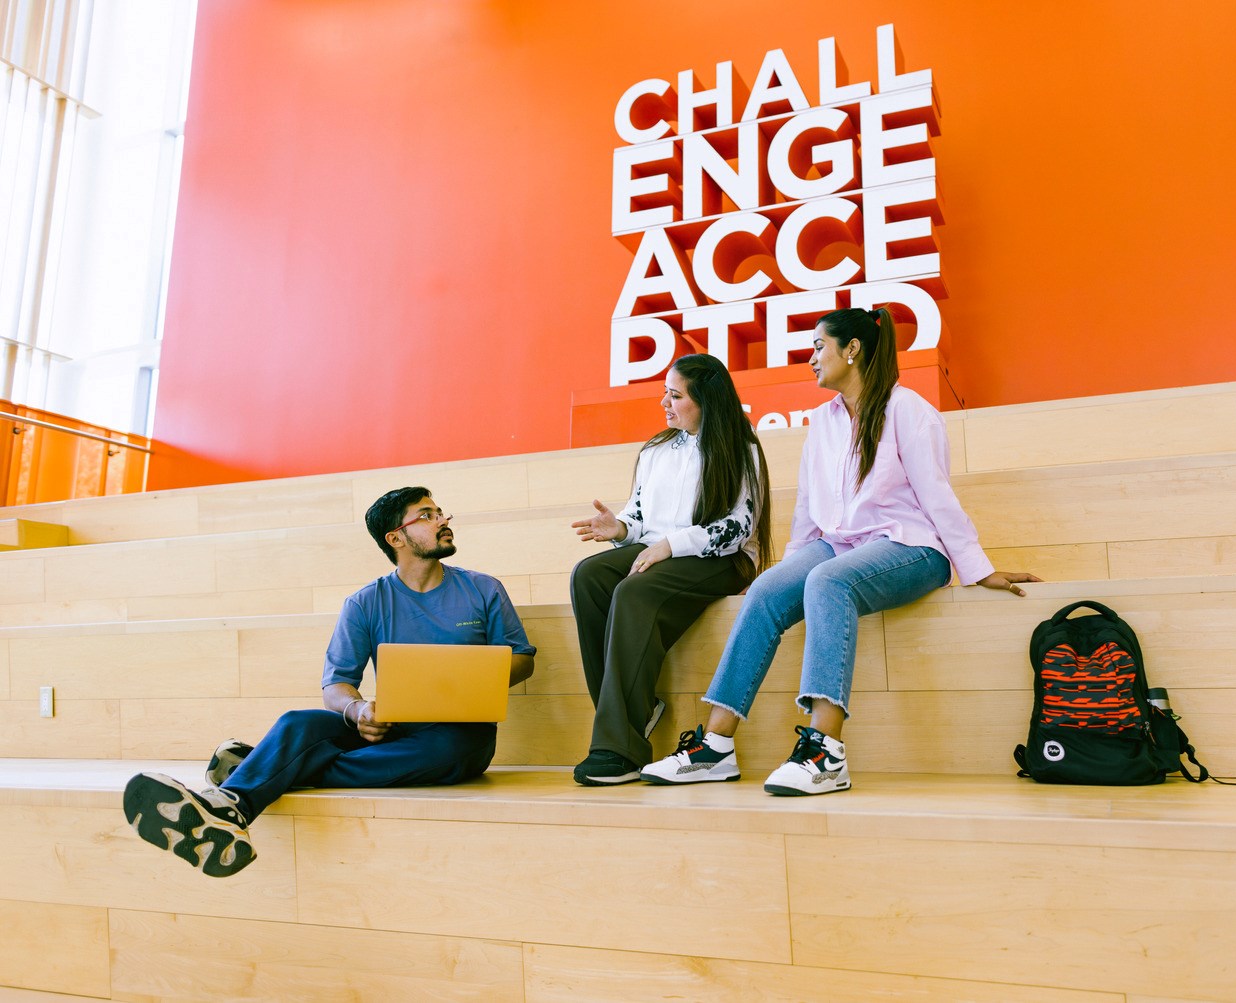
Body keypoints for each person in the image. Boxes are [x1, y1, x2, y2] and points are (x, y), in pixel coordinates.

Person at [641, 307, 1041, 796]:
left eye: (818, 347)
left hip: (910, 547)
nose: (810, 358)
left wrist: (978, 569)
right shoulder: (823, 421)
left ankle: (825, 752)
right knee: (768, 589)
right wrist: (788, 566)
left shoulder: (908, 409)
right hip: (837, 545)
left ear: (852, 350)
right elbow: (810, 512)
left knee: (827, 582)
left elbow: (938, 497)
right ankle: (715, 748)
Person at [122, 486, 536, 877]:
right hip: (388, 730)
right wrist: (358, 710)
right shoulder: (365, 602)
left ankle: (259, 769)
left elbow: (523, 660)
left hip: (457, 734)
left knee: (450, 750)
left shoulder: (482, 589)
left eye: (439, 511)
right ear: (396, 538)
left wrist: (472, 673)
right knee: (298, 722)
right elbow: (336, 685)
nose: (442, 519)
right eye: (426, 515)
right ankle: (231, 809)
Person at [568, 353, 771, 786]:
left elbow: (740, 526)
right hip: (660, 548)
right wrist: (620, 527)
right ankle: (635, 710)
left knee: (633, 591)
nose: (665, 402)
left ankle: (619, 748)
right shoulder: (657, 449)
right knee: (589, 577)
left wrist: (672, 545)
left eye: (675, 395)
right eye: (666, 392)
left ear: (707, 401)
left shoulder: (742, 446)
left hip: (720, 558)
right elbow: (640, 516)